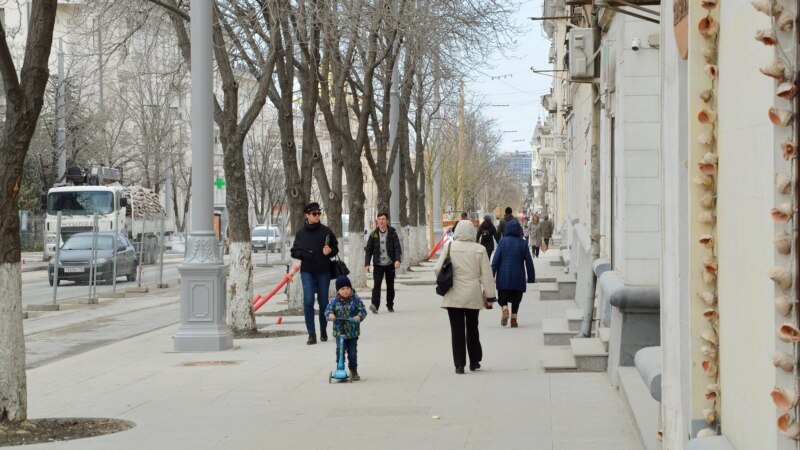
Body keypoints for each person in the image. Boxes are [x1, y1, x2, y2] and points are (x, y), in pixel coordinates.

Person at [434, 220, 497, 374]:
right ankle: (474, 361)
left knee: (457, 330)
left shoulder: (449, 246)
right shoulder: (480, 249)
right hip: (472, 294)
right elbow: (487, 276)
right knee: (472, 327)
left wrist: (446, 280)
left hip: (453, 295)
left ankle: (459, 364)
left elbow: (437, 269)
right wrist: (490, 296)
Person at [291, 202, 339, 345]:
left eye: (319, 213)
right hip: (307, 272)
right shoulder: (301, 234)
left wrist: (330, 251)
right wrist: (304, 255)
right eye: (314, 213)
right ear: (307, 215)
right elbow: (294, 251)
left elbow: (335, 247)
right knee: (308, 301)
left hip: (323, 271)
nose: (317, 216)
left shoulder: (326, 231)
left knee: (324, 302)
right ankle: (311, 333)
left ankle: (323, 329)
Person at [491, 220, 536, 328]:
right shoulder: (523, 243)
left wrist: (491, 274)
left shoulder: (502, 242)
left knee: (502, 298)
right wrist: (531, 277)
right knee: (516, 300)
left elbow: (495, 260)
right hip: (518, 277)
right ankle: (514, 320)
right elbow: (529, 261)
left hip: (503, 276)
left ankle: (505, 310)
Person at [325, 275, 368, 381]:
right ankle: (340, 368)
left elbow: (362, 310)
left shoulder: (356, 300)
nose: (346, 291)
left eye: (348, 288)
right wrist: (330, 315)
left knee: (352, 352)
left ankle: (353, 370)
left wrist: (358, 317)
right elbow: (327, 310)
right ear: (338, 291)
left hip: (352, 332)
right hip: (339, 332)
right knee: (340, 351)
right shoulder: (334, 301)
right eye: (342, 289)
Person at [364, 211, 402, 313]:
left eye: (383, 219)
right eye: (379, 219)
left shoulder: (392, 233)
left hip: (390, 264)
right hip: (378, 264)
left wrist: (397, 260)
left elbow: (397, 248)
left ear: (387, 221)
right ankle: (375, 305)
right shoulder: (373, 234)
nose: (381, 221)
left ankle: (390, 305)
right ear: (377, 221)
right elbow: (369, 250)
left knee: (390, 285)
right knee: (377, 285)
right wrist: (367, 264)